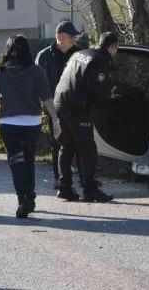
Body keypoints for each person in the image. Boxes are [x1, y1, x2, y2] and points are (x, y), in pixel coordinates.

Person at [0, 35, 60, 218]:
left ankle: (23, 200)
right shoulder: (36, 71)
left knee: (16, 162)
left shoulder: (0, 71)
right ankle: (31, 195)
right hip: (32, 123)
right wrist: (55, 120)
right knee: (28, 160)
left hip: (9, 123)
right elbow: (47, 98)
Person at [53, 31, 119, 203]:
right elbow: (93, 86)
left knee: (66, 146)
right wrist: (108, 93)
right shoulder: (100, 60)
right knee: (88, 147)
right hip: (76, 107)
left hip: (59, 101)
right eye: (116, 48)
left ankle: (64, 187)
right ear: (112, 46)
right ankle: (89, 189)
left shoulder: (80, 53)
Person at [34, 21, 83, 190]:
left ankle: (82, 179)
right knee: (58, 143)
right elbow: (37, 82)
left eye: (75, 36)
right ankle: (59, 177)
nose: (74, 39)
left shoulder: (79, 54)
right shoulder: (44, 56)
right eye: (71, 36)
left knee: (79, 143)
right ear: (59, 36)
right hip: (53, 106)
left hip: (76, 106)